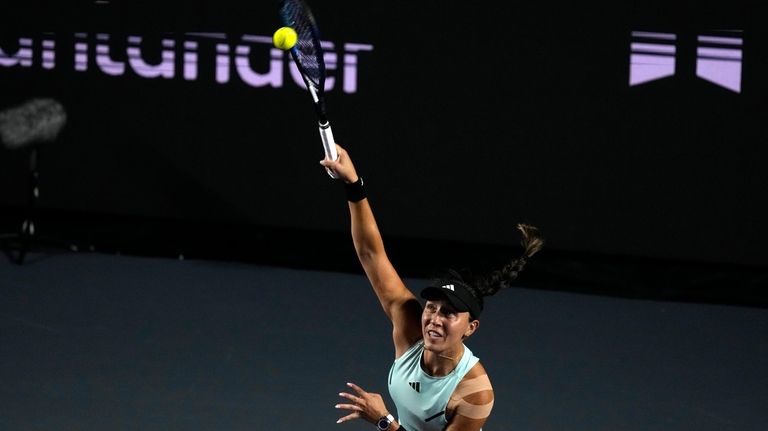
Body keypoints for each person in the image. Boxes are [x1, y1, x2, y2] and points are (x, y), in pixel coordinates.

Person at [321, 145, 543, 431]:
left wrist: (384, 421)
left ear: (471, 327)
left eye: (449, 313)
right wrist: (353, 185)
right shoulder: (410, 326)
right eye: (432, 307)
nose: (434, 319)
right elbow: (372, 255)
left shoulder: (474, 393)